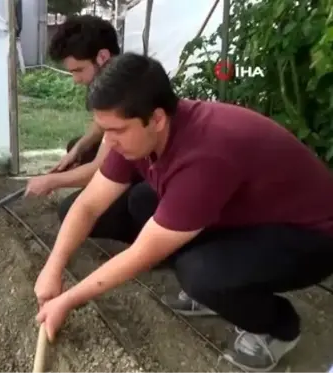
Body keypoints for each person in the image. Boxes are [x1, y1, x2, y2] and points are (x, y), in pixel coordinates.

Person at [33, 52, 333, 373]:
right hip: (249, 213)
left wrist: (67, 300)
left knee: (200, 274)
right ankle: (220, 285)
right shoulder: (139, 133)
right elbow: (90, 204)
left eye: (116, 130)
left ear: (157, 118)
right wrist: (54, 267)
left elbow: (141, 254)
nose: (109, 141)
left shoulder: (206, 155)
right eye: (104, 129)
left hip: (312, 236)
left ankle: (279, 329)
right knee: (142, 202)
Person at [26, 15, 156, 244]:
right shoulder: (115, 77)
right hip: (134, 161)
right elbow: (101, 128)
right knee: (79, 148)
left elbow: (101, 167)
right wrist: (78, 149)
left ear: (102, 57)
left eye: (78, 70)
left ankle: (147, 234)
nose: (76, 80)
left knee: (72, 211)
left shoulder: (127, 89)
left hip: (154, 175)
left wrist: (50, 181)